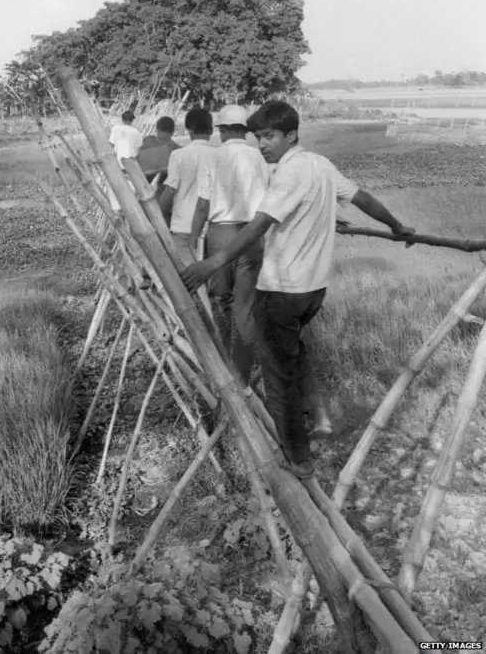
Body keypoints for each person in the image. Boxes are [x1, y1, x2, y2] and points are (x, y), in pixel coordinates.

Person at [180, 99, 414, 481]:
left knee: (277, 375)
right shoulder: (318, 165)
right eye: (258, 136)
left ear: (292, 134)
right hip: (313, 290)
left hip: (284, 288)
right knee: (293, 352)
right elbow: (361, 197)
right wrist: (397, 225)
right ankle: (317, 419)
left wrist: (212, 262)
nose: (263, 144)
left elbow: (257, 225)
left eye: (270, 136)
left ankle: (297, 457)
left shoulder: (289, 173)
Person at [188, 105, 270, 385]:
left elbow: (202, 204)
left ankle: (224, 364)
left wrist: (191, 240)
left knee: (220, 299)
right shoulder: (259, 157)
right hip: (252, 234)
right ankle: (243, 371)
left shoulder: (213, 157)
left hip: (221, 234)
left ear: (222, 130)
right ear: (245, 130)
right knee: (245, 306)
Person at [158, 107, 214, 265]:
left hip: (183, 226)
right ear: (211, 129)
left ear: (188, 129)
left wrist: (157, 214)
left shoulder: (179, 155)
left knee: (188, 278)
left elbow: (170, 190)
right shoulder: (220, 155)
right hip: (212, 226)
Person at [137, 116, 181, 201]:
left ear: (157, 129)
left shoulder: (146, 142)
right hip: (164, 199)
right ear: (172, 132)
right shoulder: (177, 150)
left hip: (141, 194)